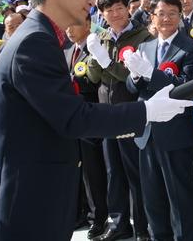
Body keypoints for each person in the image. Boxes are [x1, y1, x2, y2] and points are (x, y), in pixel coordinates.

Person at [0, 0, 193, 241]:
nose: (91, 1)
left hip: (32, 194)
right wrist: (147, 111)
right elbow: (73, 117)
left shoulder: (36, 36)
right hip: (25, 200)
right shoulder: (34, 41)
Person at [125, 0, 193, 241]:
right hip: (147, 132)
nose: (166, 18)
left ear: (180, 17)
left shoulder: (190, 47)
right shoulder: (145, 46)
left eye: (172, 13)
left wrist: (151, 73)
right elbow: (133, 88)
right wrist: (136, 76)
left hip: (175, 132)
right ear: (151, 17)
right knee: (152, 196)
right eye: (161, 13)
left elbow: (185, 87)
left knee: (180, 196)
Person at [85, 0, 155, 241]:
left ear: (127, 8)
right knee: (113, 171)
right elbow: (94, 78)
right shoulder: (101, 36)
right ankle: (119, 223)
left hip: (131, 110)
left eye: (119, 8)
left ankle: (143, 227)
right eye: (108, 10)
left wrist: (108, 64)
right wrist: (95, 56)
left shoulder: (143, 36)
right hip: (106, 111)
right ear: (101, 14)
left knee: (135, 172)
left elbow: (134, 77)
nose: (114, 14)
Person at [64, 16, 109, 239]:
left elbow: (97, 82)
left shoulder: (95, 49)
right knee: (77, 168)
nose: (69, 30)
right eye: (67, 26)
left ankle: (98, 217)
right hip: (71, 119)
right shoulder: (67, 51)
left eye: (75, 25)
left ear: (88, 25)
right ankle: (81, 211)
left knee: (93, 171)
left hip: (90, 116)